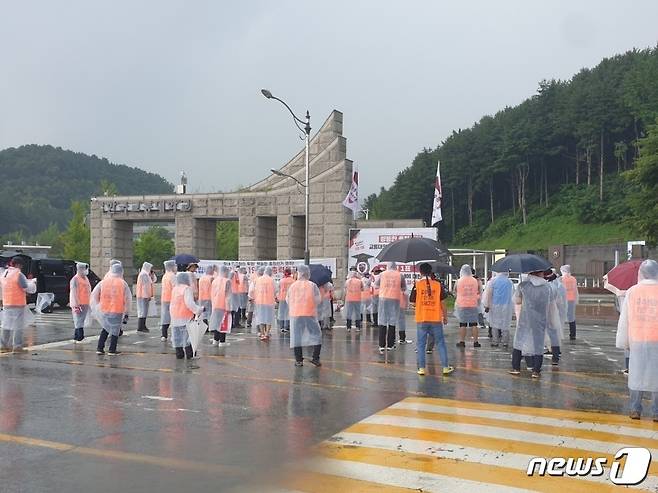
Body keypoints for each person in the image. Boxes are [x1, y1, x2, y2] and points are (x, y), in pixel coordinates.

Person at [616, 259, 658, 420]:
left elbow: (625, 317)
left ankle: (635, 409)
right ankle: (656, 412)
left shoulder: (633, 291)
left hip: (637, 339)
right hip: (656, 339)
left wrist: (624, 341)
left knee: (636, 374)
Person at [509, 270, 555, 378]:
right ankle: (536, 370)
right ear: (540, 274)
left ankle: (516, 368)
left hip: (525, 318)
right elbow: (551, 304)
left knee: (519, 342)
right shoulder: (547, 287)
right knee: (538, 344)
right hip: (540, 319)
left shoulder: (523, 285)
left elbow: (517, 301)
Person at [412, 263, 454, 376]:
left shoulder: (417, 285)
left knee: (421, 344)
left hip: (422, 318)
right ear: (431, 272)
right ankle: (445, 367)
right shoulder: (437, 285)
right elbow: (443, 303)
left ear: (420, 272)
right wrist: (445, 316)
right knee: (440, 343)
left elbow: (413, 301)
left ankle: (421, 368)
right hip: (435, 318)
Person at [92, 263, 131, 356]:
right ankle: (112, 349)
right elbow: (128, 299)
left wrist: (98, 304)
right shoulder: (122, 283)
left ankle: (100, 348)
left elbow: (94, 294)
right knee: (115, 330)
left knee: (105, 328)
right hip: (117, 310)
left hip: (104, 309)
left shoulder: (103, 282)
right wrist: (127, 313)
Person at [287, 264, 322, 367]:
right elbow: (318, 299)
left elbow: (287, 299)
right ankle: (315, 358)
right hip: (309, 313)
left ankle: (298, 360)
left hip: (296, 314)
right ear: (308, 273)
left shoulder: (293, 286)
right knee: (316, 334)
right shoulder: (312, 285)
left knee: (297, 336)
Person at [0, 257, 36, 353]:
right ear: (18, 265)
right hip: (17, 303)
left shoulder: (4, 273)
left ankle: (3, 346)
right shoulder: (18, 274)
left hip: (7, 303)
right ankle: (17, 346)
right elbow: (25, 286)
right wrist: (32, 283)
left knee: (6, 325)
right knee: (18, 326)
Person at [170, 272, 203, 360]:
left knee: (177, 336)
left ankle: (179, 354)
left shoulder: (175, 288)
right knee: (189, 336)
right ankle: (190, 355)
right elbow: (189, 303)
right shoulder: (187, 289)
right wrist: (198, 309)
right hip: (185, 316)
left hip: (175, 315)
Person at [375, 262, 407, 352]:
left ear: (387, 266)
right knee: (392, 320)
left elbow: (375, 285)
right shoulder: (400, 275)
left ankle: (381, 345)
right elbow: (403, 288)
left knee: (382, 320)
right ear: (395, 266)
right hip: (395, 298)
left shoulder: (382, 274)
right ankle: (390, 344)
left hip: (383, 298)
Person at [483, 271, 514, 348]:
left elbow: (488, 294)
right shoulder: (509, 282)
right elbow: (513, 294)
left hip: (495, 305)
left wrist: (487, 305)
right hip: (507, 305)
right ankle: (505, 342)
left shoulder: (493, 281)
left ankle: (495, 341)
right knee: (505, 324)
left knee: (494, 324)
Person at [455, 264, 481, 348]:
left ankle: (462, 342)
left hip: (462, 304)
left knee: (463, 324)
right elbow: (479, 291)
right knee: (474, 324)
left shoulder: (459, 281)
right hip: (473, 303)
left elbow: (455, 290)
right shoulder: (475, 281)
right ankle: (476, 342)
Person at [545, 269, 567, 365]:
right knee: (554, 334)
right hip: (553, 311)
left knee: (549, 334)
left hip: (547, 311)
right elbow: (559, 301)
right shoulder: (555, 286)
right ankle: (555, 354)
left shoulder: (547, 287)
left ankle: (554, 354)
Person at [209, 265, 232, 347]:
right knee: (223, 323)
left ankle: (216, 340)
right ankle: (222, 341)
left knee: (216, 322)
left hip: (215, 304)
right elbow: (228, 296)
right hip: (224, 305)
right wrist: (228, 307)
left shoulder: (215, 281)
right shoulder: (227, 281)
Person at [69, 262, 92, 343]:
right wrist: (75, 304)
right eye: (85, 269)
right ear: (80, 269)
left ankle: (76, 337)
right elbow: (73, 293)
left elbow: (89, 290)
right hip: (78, 303)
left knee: (80, 320)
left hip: (85, 302)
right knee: (78, 320)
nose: (86, 271)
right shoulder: (75, 279)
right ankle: (80, 337)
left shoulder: (85, 278)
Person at [253, 266, 276, 341]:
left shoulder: (258, 280)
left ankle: (262, 333)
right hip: (269, 301)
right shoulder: (272, 280)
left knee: (261, 317)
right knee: (269, 318)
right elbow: (275, 290)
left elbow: (254, 289)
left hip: (259, 301)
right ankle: (267, 333)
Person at [560, 264, 579, 340]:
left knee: (561, 317)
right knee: (572, 318)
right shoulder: (573, 279)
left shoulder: (561, 279)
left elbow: (559, 290)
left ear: (563, 271)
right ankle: (573, 334)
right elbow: (575, 290)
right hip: (571, 299)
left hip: (563, 300)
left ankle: (560, 334)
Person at [160, 260, 177, 341]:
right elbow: (175, 288)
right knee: (174, 317)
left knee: (165, 317)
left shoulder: (165, 276)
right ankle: (173, 335)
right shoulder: (172, 276)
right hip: (172, 299)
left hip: (164, 298)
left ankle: (164, 335)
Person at [135, 262, 154, 333]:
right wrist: (147, 296)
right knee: (143, 311)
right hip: (143, 295)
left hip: (143, 295)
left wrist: (151, 275)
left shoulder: (145, 274)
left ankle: (142, 325)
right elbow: (145, 286)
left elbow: (153, 280)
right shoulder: (144, 274)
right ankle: (141, 326)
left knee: (143, 311)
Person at [277, 267, 294, 333]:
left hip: (282, 297)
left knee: (281, 312)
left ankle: (281, 326)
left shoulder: (281, 281)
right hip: (290, 298)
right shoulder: (292, 281)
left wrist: (277, 297)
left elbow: (279, 289)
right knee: (288, 312)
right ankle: (287, 326)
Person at [198, 265, 215, 330]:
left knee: (204, 312)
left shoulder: (202, 278)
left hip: (202, 297)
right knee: (211, 313)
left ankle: (205, 327)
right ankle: (212, 327)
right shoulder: (212, 278)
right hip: (210, 297)